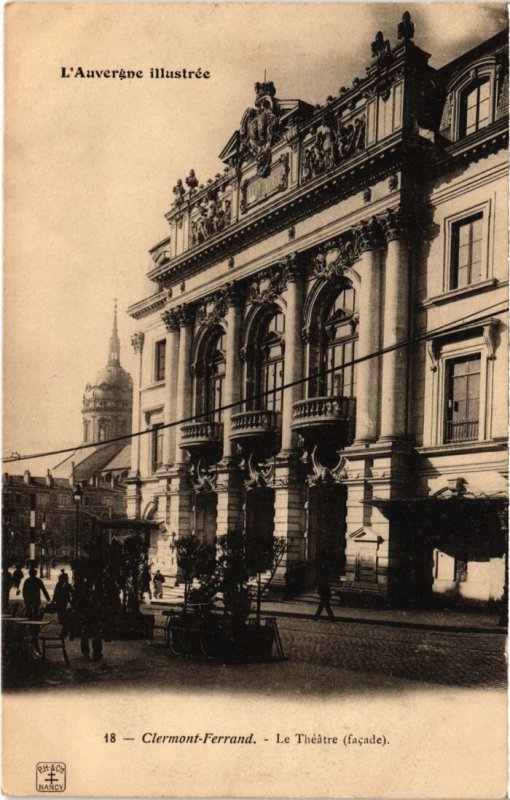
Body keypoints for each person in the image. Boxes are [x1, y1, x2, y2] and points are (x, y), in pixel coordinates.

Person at [52, 572, 73, 637]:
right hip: (61, 603)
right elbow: (55, 593)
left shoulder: (66, 585)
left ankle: (64, 632)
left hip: (64, 604)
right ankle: (65, 631)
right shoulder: (59, 585)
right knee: (62, 618)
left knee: (63, 618)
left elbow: (72, 593)